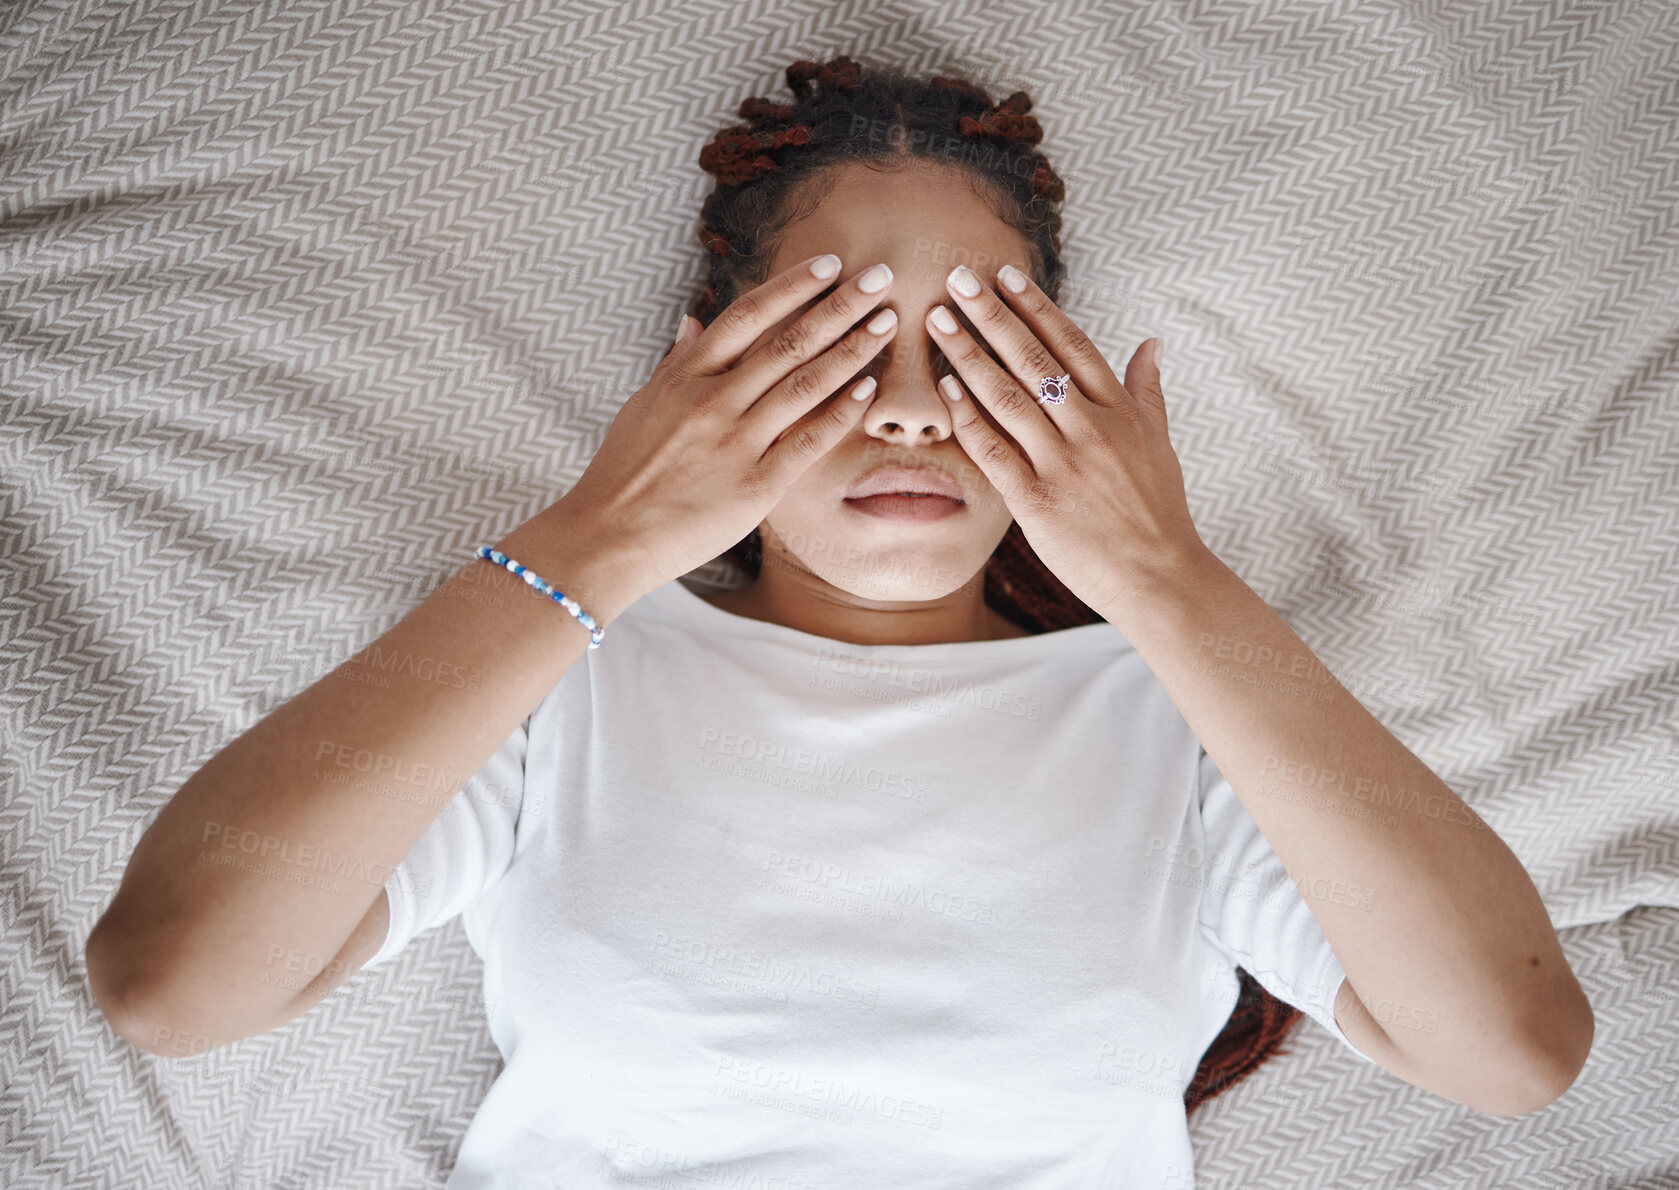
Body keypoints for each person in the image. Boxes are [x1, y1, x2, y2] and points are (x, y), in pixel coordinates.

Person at [86, 55, 1592, 1189]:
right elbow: (173, 983)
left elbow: (1512, 1051)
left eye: (978, 348)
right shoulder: (557, 672)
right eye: (838, 343)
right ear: (700, 374)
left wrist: (1171, 577)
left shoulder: (1186, 718)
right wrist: (606, 530)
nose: (914, 411)